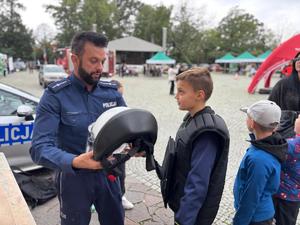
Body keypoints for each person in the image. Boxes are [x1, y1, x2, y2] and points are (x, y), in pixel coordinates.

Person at [30, 31, 126, 225]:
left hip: (109, 175)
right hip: (73, 178)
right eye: (93, 61)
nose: (100, 68)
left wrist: (138, 145)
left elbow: (126, 128)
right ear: (75, 59)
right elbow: (39, 148)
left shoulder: (111, 94)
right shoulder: (55, 96)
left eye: (102, 61)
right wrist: (75, 161)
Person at [166, 67, 230, 225]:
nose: (176, 96)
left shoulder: (206, 133)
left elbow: (198, 182)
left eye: (181, 92)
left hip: (193, 216)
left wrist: (183, 219)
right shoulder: (192, 119)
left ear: (199, 95)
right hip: (182, 202)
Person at [233, 100, 288, 225]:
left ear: (252, 123)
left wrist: (239, 222)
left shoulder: (259, 159)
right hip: (260, 214)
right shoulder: (269, 146)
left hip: (255, 218)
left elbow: (251, 196)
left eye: (248, 116)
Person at [110, 79, 134, 210]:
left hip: (120, 146)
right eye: (119, 95)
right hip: (106, 147)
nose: (121, 98)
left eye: (122, 95)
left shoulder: (121, 106)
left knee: (121, 173)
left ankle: (121, 196)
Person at [273, 115, 300, 225]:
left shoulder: (291, 145)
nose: (296, 120)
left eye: (298, 117)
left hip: (282, 194)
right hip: (295, 196)